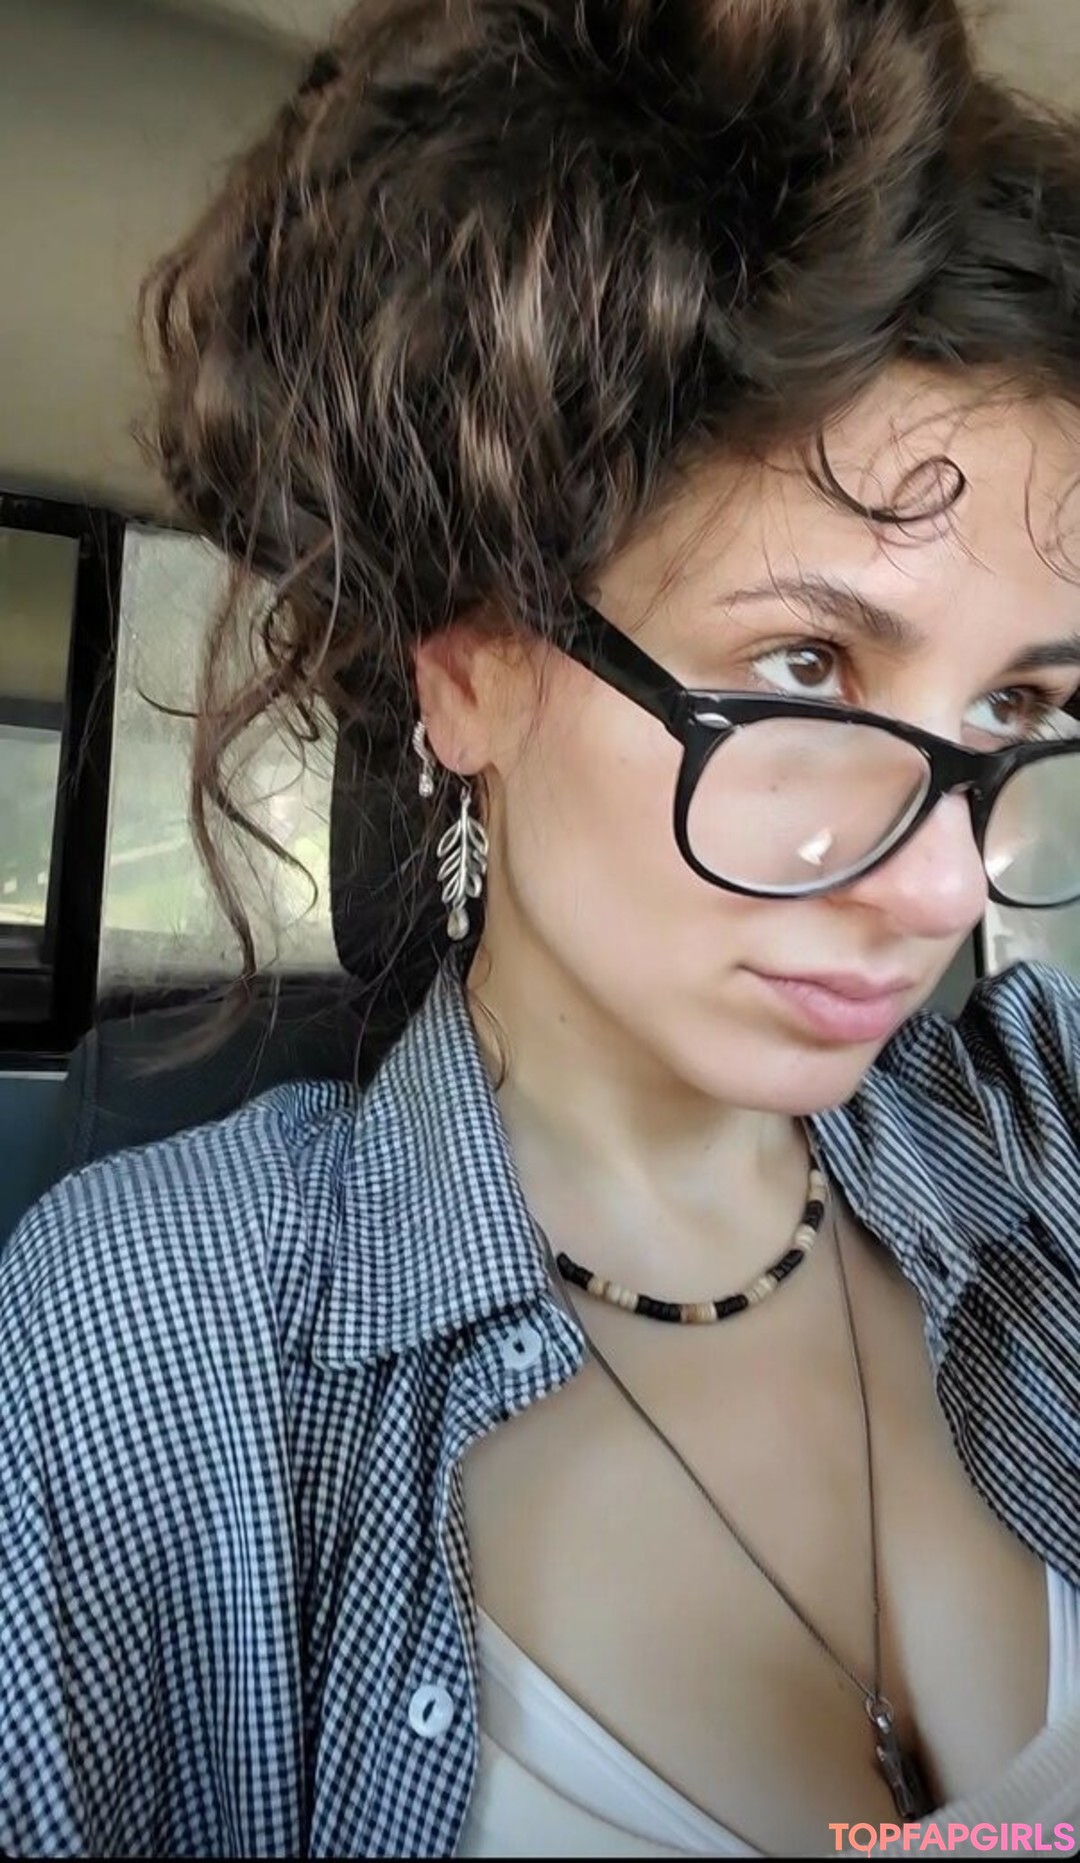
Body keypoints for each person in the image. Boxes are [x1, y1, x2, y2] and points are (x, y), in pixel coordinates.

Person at [3, 0, 1080, 1855]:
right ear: (474, 670)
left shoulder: (1041, 1128)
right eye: (803, 669)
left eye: (1014, 709)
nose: (941, 884)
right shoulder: (152, 1346)